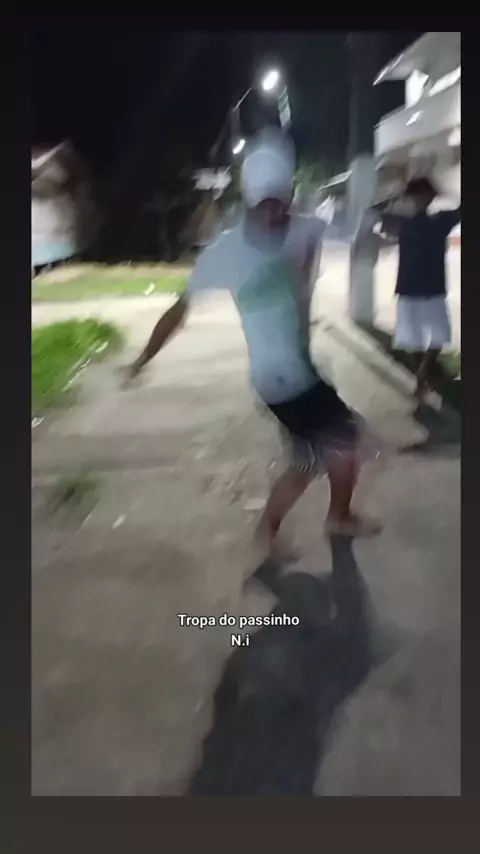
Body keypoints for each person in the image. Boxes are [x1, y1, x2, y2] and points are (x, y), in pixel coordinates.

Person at [125, 130, 381, 556]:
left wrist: (366, 205)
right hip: (278, 378)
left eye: (280, 201)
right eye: (264, 204)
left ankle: (305, 523)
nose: (274, 213)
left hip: (302, 369)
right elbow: (178, 311)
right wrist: (142, 360)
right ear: (249, 200)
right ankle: (328, 519)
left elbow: (351, 230)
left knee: (312, 459)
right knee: (344, 443)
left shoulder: (305, 228)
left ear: (290, 194)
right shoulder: (226, 253)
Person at [381, 177, 461, 402]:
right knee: (426, 339)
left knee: (426, 339)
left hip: (418, 288)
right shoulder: (431, 220)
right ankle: (423, 376)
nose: (425, 199)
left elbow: (376, 213)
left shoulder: (408, 222)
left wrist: (396, 197)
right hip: (422, 288)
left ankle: (422, 377)